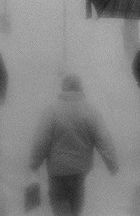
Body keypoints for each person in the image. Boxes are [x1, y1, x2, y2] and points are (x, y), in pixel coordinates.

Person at [29, 74, 119, 215]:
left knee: (59, 203)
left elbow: (41, 140)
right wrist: (112, 162)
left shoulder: (52, 110)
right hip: (79, 171)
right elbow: (103, 139)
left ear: (63, 88)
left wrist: (34, 163)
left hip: (57, 172)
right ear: (80, 88)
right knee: (76, 205)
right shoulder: (90, 111)